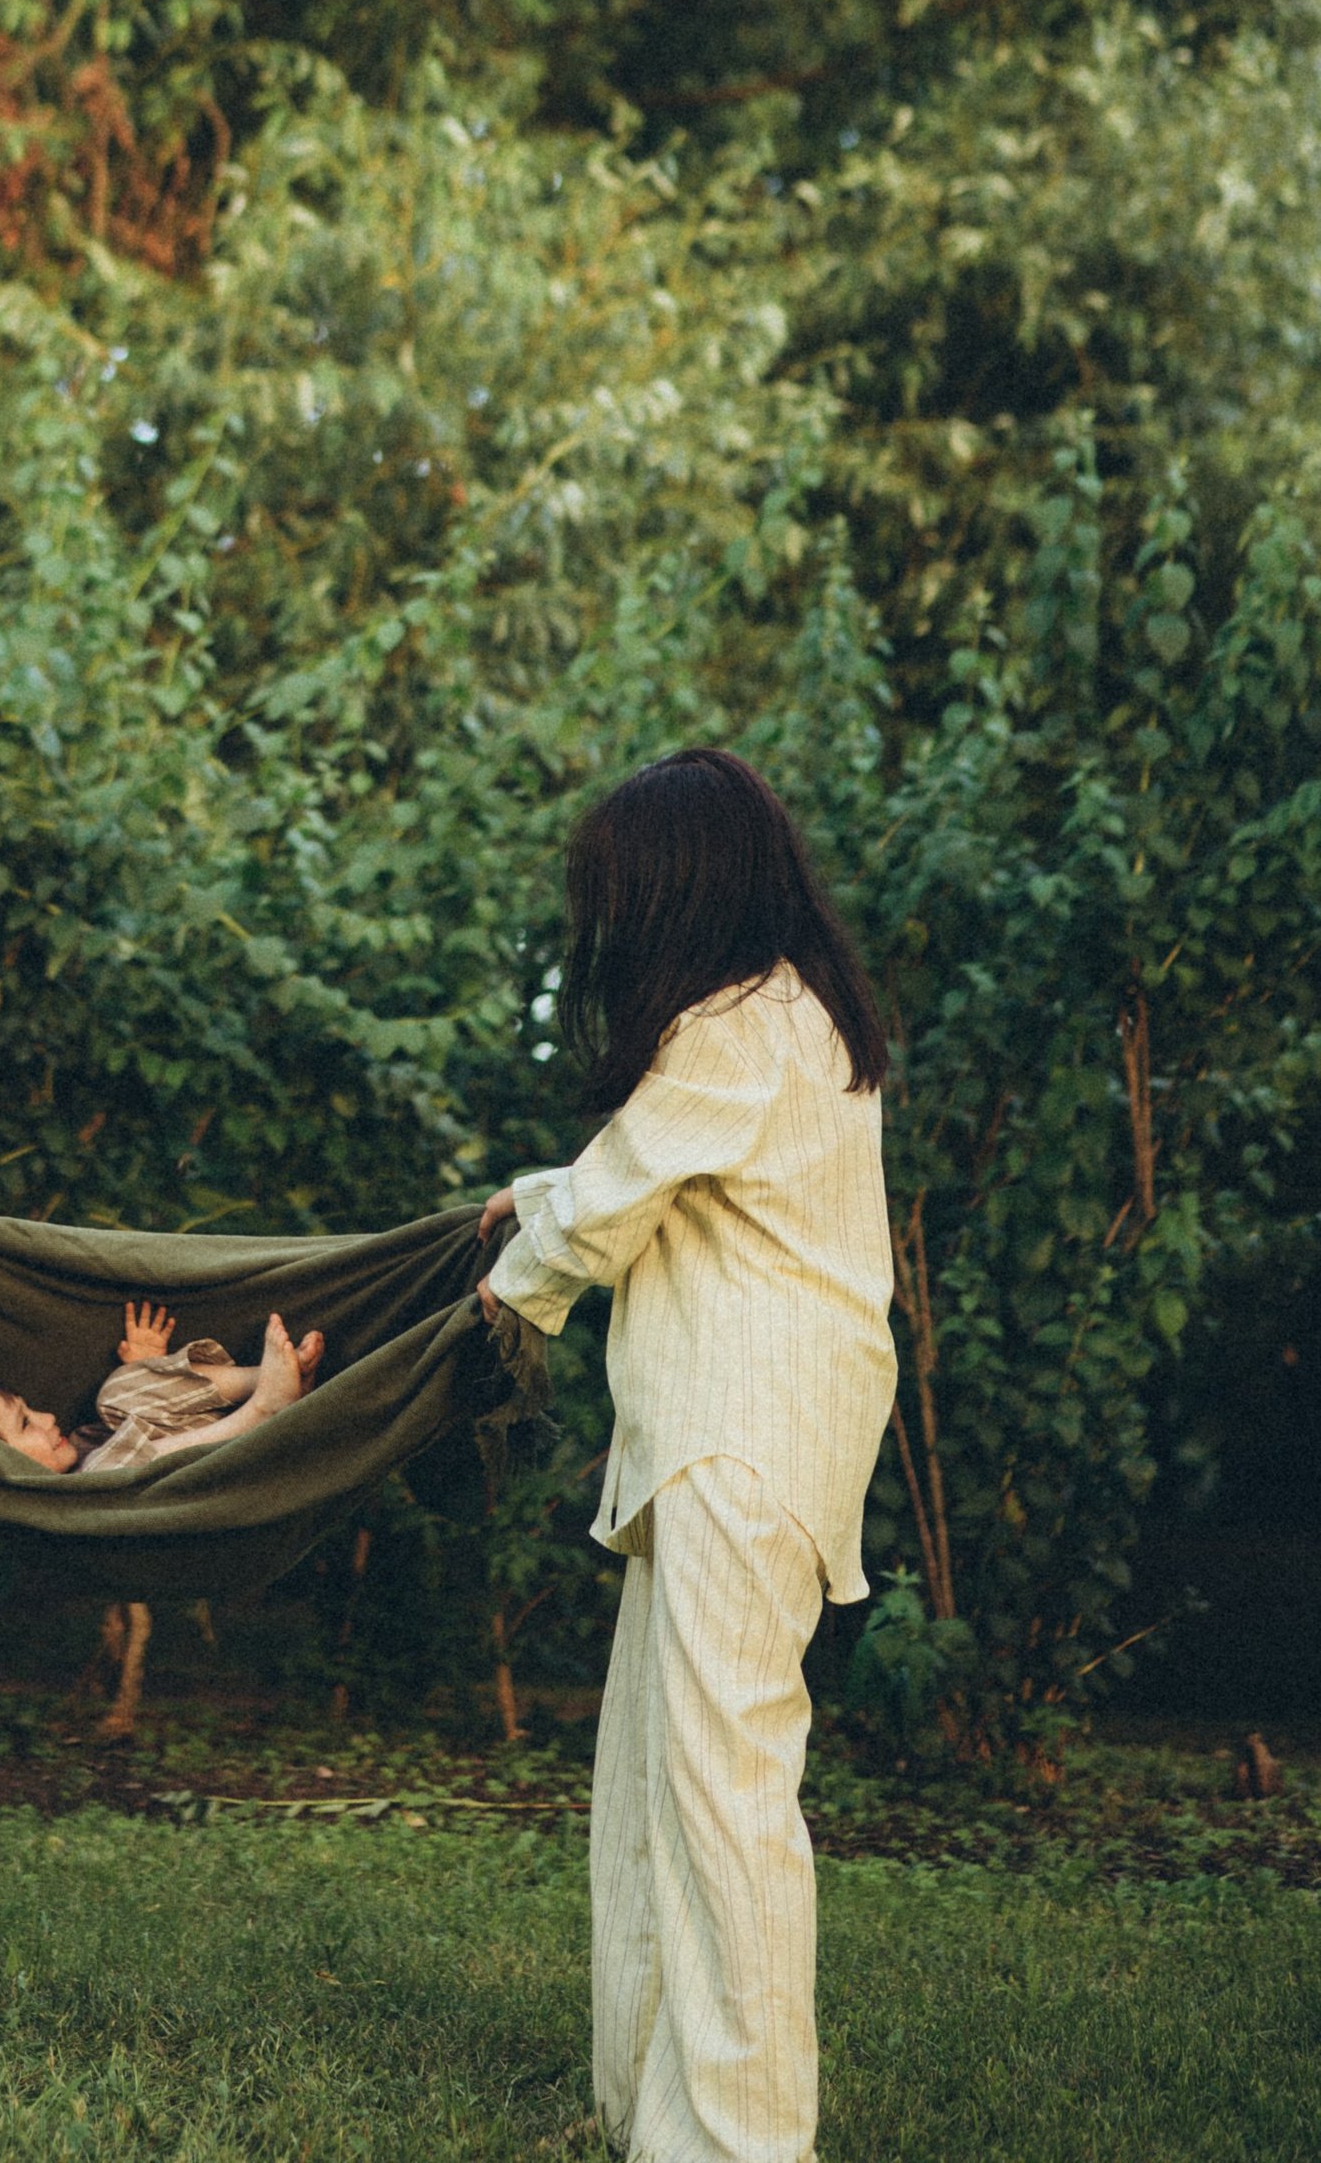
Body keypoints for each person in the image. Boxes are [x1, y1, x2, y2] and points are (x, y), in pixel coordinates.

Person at [479, 748, 896, 2163]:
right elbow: (656, 1182)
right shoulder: (800, 1019)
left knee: (720, 1809)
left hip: (739, 1441)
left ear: (680, 887)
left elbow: (605, 1221)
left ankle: (736, 2145)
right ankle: (644, 2107)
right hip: (752, 1442)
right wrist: (532, 1205)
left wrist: (509, 1287)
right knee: (660, 1790)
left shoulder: (730, 1022)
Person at [0, 1300, 325, 1473]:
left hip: (210, 1433)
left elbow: (149, 1418)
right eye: (25, 1424)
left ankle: (270, 1379)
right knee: (102, 1478)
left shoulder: (83, 1441)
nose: (47, 1417)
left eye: (30, 1410)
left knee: (115, 1393)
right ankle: (266, 1408)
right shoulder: (65, 1506)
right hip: (228, 1468)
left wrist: (147, 1371)